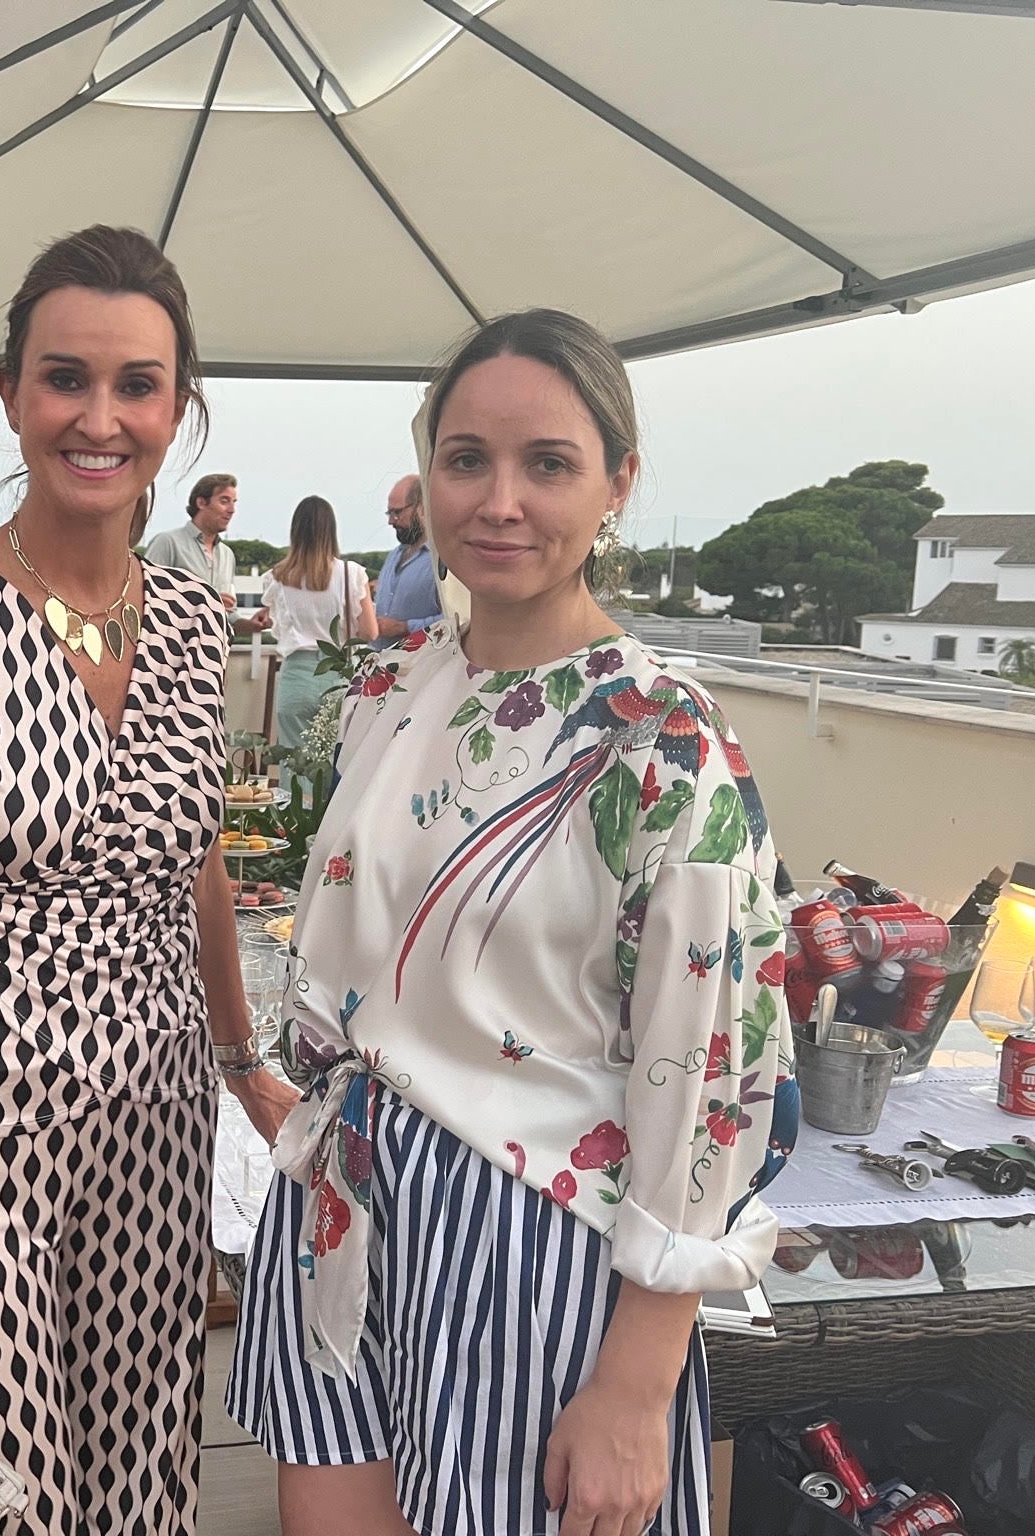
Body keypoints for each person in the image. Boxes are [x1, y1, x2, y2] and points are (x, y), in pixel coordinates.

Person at [227, 309, 796, 1536]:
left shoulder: (657, 740)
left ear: (615, 487)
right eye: (464, 458)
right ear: (426, 471)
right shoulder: (390, 688)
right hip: (342, 1189)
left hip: (526, 1237)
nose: (497, 500)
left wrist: (638, 1384)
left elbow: (712, 1070)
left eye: (546, 464)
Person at [0, 225, 297, 1535]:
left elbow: (189, 849)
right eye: (63, 378)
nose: (100, 417)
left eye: (136, 384)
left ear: (178, 409)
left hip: (153, 1123)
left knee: (141, 1481)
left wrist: (243, 1053)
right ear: (12, 394)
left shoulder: (196, 623)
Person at [255, 495, 377, 747]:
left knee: (295, 764)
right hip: (338, 674)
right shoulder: (351, 574)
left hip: (296, 675)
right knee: (334, 763)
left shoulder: (277, 577)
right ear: (331, 531)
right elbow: (369, 632)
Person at [145, 471, 240, 612]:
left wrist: (252, 624)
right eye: (224, 501)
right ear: (201, 503)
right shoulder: (167, 543)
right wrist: (208, 602)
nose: (232, 510)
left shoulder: (227, 555)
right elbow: (147, 594)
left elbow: (227, 615)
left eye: (234, 502)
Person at [370, 472, 444, 648]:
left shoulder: (442, 561)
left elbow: (459, 618)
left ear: (423, 507)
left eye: (397, 512)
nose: (390, 521)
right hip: (383, 665)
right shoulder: (393, 556)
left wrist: (404, 627)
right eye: (389, 512)